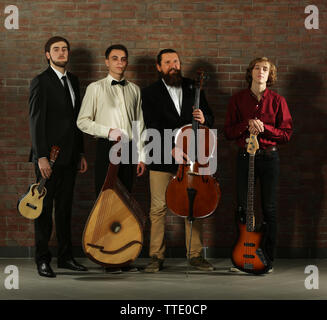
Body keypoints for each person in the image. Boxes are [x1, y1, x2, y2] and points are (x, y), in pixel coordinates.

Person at [141, 48, 215, 273]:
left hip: (191, 159)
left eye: (176, 61)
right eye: (168, 62)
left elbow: (210, 119)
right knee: (158, 208)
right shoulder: (149, 92)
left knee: (192, 206)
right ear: (159, 66)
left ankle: (194, 256)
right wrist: (169, 148)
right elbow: (149, 125)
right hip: (162, 158)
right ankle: (156, 256)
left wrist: (205, 118)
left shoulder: (194, 86)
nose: (173, 65)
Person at [77, 44, 146, 273]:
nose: (119, 62)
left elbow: (140, 126)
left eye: (123, 59)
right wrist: (108, 131)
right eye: (114, 58)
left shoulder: (134, 89)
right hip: (107, 148)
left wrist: (142, 156)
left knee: (126, 204)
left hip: (129, 149)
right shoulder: (95, 88)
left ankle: (124, 257)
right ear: (106, 62)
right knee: (106, 203)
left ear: (126, 62)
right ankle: (107, 257)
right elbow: (83, 121)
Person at [224, 57, 293, 272]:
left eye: (265, 69)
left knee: (269, 209)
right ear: (251, 72)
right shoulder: (237, 99)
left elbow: (287, 134)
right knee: (243, 207)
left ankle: (267, 259)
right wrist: (246, 124)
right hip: (246, 157)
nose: (261, 72)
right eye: (257, 68)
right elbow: (228, 132)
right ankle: (242, 257)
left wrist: (265, 128)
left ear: (269, 74)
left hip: (269, 158)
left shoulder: (278, 101)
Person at [29, 36, 88, 278]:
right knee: (43, 211)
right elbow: (35, 121)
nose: (61, 53)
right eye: (56, 50)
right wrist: (41, 156)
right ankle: (43, 260)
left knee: (65, 209)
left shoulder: (74, 80)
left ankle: (66, 257)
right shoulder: (40, 82)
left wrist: (81, 152)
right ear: (47, 55)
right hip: (48, 159)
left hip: (70, 157)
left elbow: (77, 121)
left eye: (65, 49)